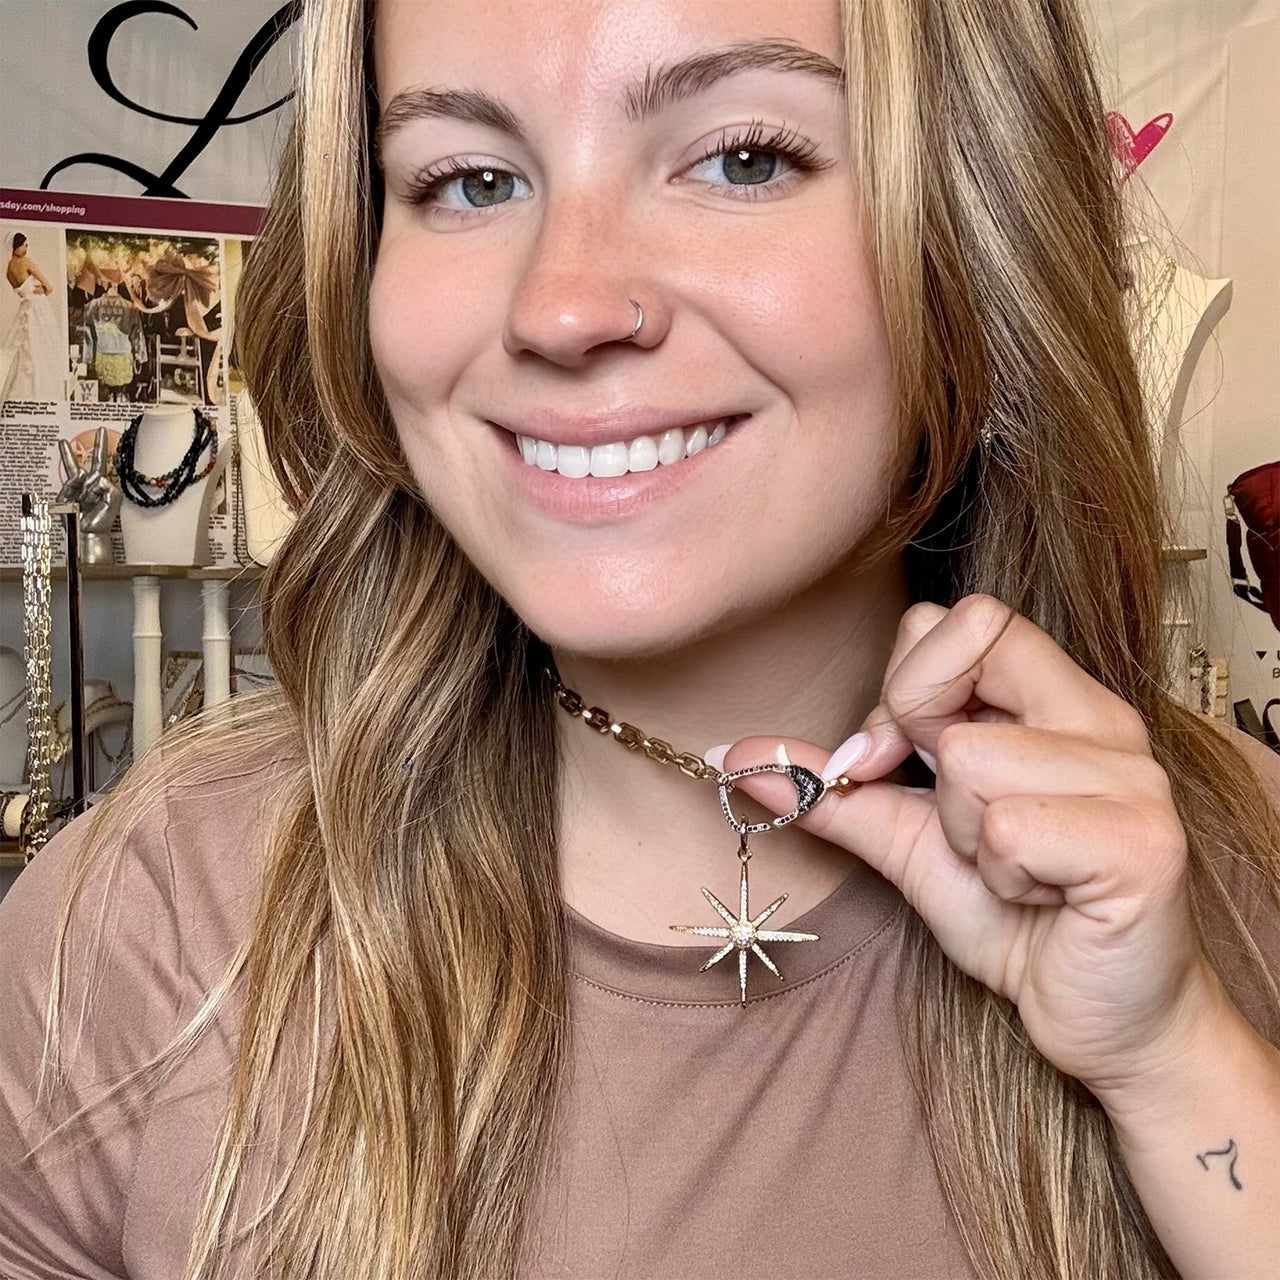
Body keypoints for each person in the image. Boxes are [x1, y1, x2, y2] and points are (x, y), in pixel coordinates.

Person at [2, 0, 1279, 1277]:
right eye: (469, 178)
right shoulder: (153, 922)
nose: (562, 307)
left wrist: (1174, 1061)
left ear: (976, 226)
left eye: (741, 158)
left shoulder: (1241, 878)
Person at [2, 231, 63, 402]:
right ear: (15, 247)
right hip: (37, 307)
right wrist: (42, 289)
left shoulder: (8, 271)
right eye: (24, 245)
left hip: (24, 308)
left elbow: (21, 291)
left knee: (24, 350)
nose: (26, 248)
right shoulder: (26, 262)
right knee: (42, 346)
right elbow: (49, 287)